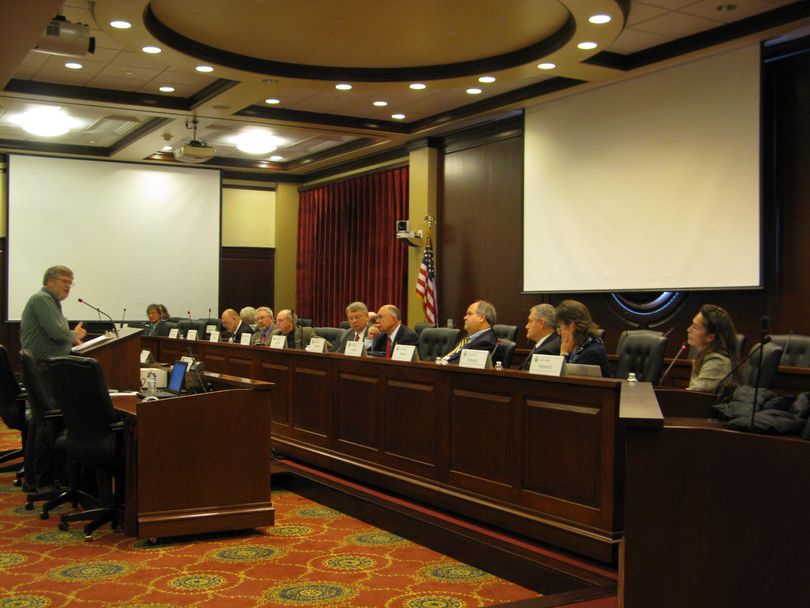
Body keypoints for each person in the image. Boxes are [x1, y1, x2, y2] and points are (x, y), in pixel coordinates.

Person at [20, 265, 87, 494]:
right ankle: (42, 480)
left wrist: (70, 336)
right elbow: (57, 333)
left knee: (40, 422)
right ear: (50, 281)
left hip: (44, 368)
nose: (68, 286)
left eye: (71, 282)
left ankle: (33, 478)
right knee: (47, 422)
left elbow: (59, 333)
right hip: (44, 369)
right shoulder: (42, 299)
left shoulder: (50, 301)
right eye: (64, 281)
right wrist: (73, 335)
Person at [686, 304, 742, 393]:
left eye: (695, 327)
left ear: (710, 337)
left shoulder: (717, 362)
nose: (688, 329)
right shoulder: (704, 356)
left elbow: (693, 397)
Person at [555, 300, 611, 377]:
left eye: (560, 327)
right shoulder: (578, 346)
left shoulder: (592, 353)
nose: (559, 332)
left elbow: (566, 382)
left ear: (571, 327)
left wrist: (564, 353)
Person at [520, 303, 561, 370]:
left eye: (530, 321)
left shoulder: (546, 351)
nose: (526, 326)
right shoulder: (549, 342)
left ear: (541, 323)